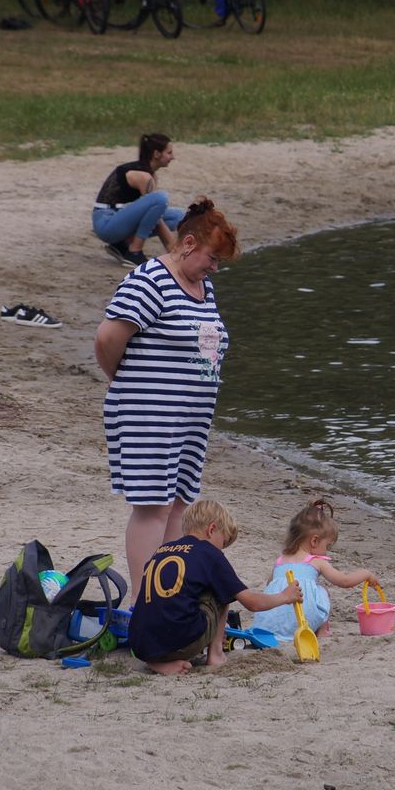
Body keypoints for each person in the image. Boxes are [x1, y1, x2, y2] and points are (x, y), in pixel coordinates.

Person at [94, 197, 238, 606]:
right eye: (212, 258)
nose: (215, 268)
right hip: (149, 413)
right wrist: (126, 382)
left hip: (189, 418)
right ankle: (144, 603)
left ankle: (167, 593)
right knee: (153, 507)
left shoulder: (203, 286)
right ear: (188, 244)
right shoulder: (149, 280)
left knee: (178, 506)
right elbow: (106, 338)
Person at [128, 499, 304, 675]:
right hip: (179, 642)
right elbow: (252, 603)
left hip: (140, 644)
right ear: (211, 529)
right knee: (222, 589)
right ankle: (216, 654)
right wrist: (285, 596)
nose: (221, 550)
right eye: (223, 542)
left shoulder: (163, 549)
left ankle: (156, 662)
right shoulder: (209, 553)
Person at [250, 498, 382, 645]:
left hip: (268, 623)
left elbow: (270, 585)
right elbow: (345, 581)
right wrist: (366, 574)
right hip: (302, 621)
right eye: (327, 546)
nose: (326, 550)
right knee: (322, 591)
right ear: (314, 541)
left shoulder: (280, 561)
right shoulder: (316, 561)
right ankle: (322, 631)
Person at [92, 133, 184, 267]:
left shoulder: (149, 174)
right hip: (105, 223)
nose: (173, 157)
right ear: (156, 154)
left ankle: (121, 245)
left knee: (178, 217)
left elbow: (154, 215)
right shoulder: (144, 177)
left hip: (116, 217)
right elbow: (157, 216)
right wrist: (172, 248)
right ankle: (134, 252)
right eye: (169, 153)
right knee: (160, 199)